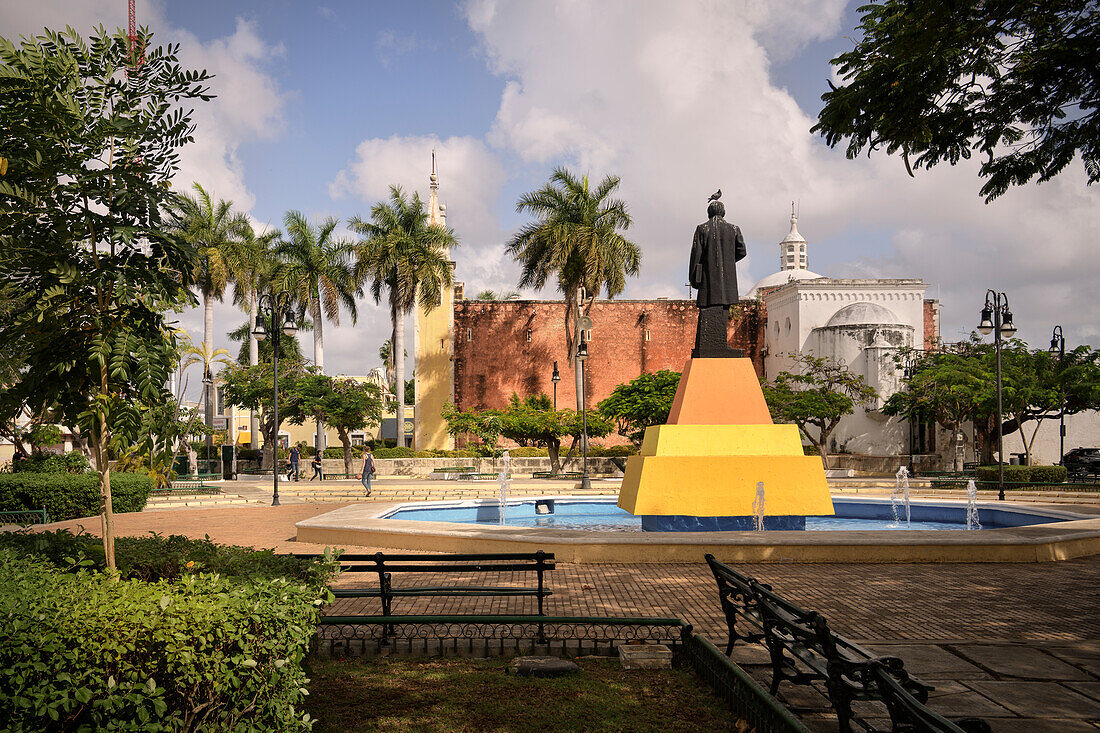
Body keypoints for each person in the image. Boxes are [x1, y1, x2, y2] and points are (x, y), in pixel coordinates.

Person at [688, 194, 746, 358]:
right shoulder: (733, 229)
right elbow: (742, 251)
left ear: (709, 213)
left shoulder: (702, 228)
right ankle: (718, 343)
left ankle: (715, 344)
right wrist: (728, 260)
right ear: (723, 213)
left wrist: (693, 277)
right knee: (723, 309)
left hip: (708, 280)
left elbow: (696, 255)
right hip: (727, 281)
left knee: (708, 307)